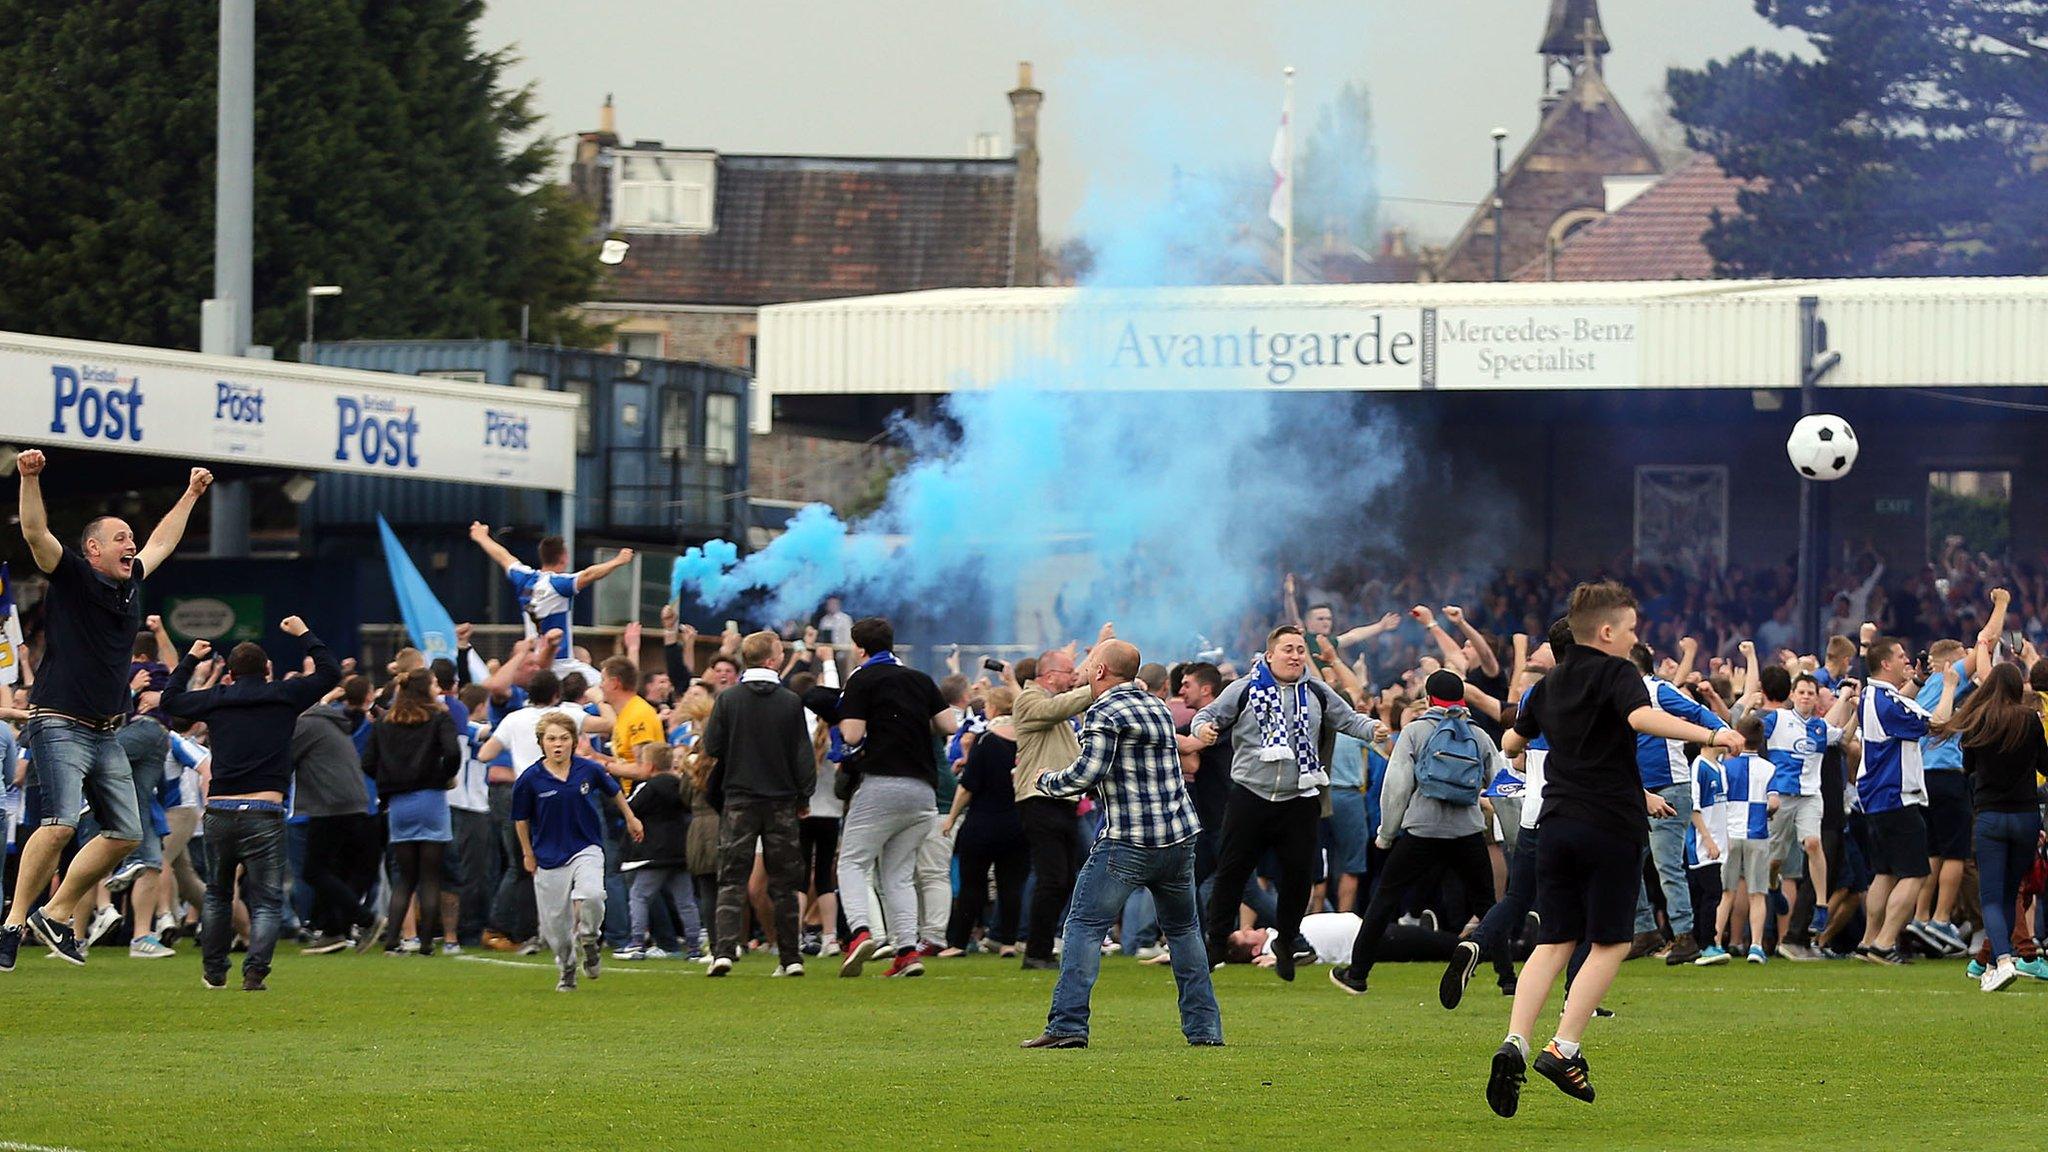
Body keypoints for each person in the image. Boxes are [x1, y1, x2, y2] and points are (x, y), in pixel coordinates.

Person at [1486, 582, 1742, 1118]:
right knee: (1609, 943)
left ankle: (1515, 1041)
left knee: (1552, 942)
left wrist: (1526, 742)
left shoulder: (1550, 683)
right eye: (1630, 629)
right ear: (1606, 631)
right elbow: (1640, 719)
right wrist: (1710, 735)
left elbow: (1513, 741)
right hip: (1608, 822)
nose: (1634, 638)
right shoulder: (1618, 673)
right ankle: (1565, 1047)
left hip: (1555, 824)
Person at [1, 451, 211, 970]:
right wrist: (30, 479)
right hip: (60, 721)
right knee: (59, 824)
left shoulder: (130, 582)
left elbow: (163, 540)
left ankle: (56, 911)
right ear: (91, 550)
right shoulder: (72, 575)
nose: (132, 545)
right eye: (120, 538)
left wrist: (190, 495)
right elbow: (34, 533)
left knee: (126, 834)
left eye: (130, 539)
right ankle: (11, 923)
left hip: (107, 731)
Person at [1019, 638, 1222, 1050]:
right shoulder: (1157, 708)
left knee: (1083, 927)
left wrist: (1042, 779)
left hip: (1128, 840)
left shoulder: (1104, 711)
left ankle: (1067, 1024)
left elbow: (1085, 775)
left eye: (1090, 664)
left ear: (1099, 671)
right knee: (1184, 932)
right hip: (1179, 838)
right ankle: (1204, 1030)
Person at [159, 617, 341, 991]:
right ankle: (255, 972)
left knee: (217, 893)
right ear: (268, 670)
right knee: (267, 900)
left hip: (221, 810)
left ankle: (214, 971)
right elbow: (329, 673)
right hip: (264, 810)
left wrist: (191, 659)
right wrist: (306, 633)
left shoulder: (217, 699)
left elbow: (170, 700)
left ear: (229, 674)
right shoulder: (284, 696)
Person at [1190, 625, 1379, 982]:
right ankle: (1216, 941)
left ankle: (1288, 942)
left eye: (1299, 650)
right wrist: (1203, 731)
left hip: (1300, 797)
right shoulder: (1243, 688)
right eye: (1288, 649)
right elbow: (1207, 716)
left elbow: (1350, 720)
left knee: (1298, 878)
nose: (1295, 655)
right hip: (1251, 794)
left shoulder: (1318, 692)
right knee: (1231, 872)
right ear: (1270, 655)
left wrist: (1374, 730)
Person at [1333, 669, 1509, 1000]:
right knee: (1487, 904)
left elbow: (1397, 785)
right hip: (1467, 830)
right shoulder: (1478, 734)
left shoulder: (1415, 731)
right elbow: (1500, 787)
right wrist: (1509, 833)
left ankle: (1357, 974)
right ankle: (1507, 978)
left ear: (1429, 699)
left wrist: (1387, 833)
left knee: (1385, 899)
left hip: (1422, 830)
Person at [833, 617, 956, 978]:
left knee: (852, 862)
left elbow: (853, 735)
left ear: (860, 648)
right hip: (922, 791)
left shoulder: (861, 678)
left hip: (882, 781)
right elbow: (948, 725)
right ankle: (906, 951)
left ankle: (859, 932)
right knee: (899, 874)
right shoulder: (920, 679)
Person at [698, 631, 815, 977]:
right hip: (781, 800)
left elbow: (713, 746)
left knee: (731, 877)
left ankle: (723, 951)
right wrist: (804, 795)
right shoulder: (791, 702)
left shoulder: (729, 699)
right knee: (784, 882)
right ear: (772, 659)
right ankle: (790, 958)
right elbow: (802, 755)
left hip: (738, 798)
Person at [1932, 657, 2046, 990]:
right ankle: (1993, 961)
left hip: (1990, 816)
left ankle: (2004, 961)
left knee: (1992, 898)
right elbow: (2045, 763)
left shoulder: (1978, 721)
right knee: (2010, 894)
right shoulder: (2030, 720)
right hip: (2026, 817)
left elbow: (1967, 768)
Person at [513, 712, 643, 990]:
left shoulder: (589, 769)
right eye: (551, 739)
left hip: (586, 846)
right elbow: (520, 819)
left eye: (563, 738)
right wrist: (527, 853)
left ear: (574, 741)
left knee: (593, 895)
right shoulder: (529, 779)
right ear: (542, 743)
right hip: (548, 856)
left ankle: (589, 938)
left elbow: (613, 791)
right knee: (555, 930)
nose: (558, 744)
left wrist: (631, 818)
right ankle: (568, 967)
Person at [1854, 636, 1958, 964]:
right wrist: (1949, 686)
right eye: (1900, 656)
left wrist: (1917, 682)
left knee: (1884, 873)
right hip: (1897, 796)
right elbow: (1937, 723)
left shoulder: (1870, 695)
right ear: (1885, 663)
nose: (1907, 660)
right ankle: (1885, 943)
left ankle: (1869, 940)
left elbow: (1901, 706)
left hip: (1874, 797)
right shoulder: (1887, 701)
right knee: (1914, 873)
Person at [1625, 642, 1728, 965]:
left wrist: (1721, 731)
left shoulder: (1656, 690)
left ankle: (1684, 935)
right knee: (1627, 861)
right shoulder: (1626, 694)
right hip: (1637, 790)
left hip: (1668, 786)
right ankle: (1645, 930)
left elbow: (1694, 710)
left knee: (1667, 863)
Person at [1756, 665, 1858, 959]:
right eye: (1801, 692)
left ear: (1815, 699)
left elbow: (1844, 738)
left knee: (1813, 843)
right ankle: (1773, 885)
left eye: (1810, 693)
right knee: (1775, 859)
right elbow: (1750, 732)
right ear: (1792, 695)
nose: (1805, 697)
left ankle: (1822, 907)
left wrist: (1855, 711)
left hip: (1810, 796)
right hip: (1782, 797)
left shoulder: (1820, 726)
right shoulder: (1777, 719)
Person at [1010, 639, 1097, 970]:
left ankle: (1042, 948)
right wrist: (1097, 688)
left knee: (1061, 878)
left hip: (1060, 801)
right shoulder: (1031, 700)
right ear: (1048, 675)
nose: (1073, 677)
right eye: (1068, 672)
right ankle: (1036, 951)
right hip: (1040, 799)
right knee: (1052, 879)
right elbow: (1059, 707)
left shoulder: (1052, 701)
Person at [361, 669, 462, 955]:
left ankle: (394, 939)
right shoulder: (440, 717)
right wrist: (444, 775)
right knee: (430, 875)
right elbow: (453, 753)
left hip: (399, 803)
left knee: (405, 877)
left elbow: (367, 762)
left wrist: (388, 781)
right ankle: (428, 942)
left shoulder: (385, 721)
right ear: (425, 689)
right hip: (432, 799)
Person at [467, 521, 634, 681]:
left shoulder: (525, 578)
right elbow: (589, 574)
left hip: (534, 662)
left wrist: (482, 537)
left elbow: (503, 557)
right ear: (564, 558)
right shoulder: (559, 584)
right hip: (561, 663)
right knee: (608, 687)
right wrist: (618, 561)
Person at [942, 685, 1028, 957]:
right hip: (1017, 822)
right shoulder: (1026, 741)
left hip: (982, 823)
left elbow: (967, 787)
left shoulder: (985, 741)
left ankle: (957, 942)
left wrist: (951, 818)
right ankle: (1008, 941)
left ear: (992, 709)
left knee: (972, 885)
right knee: (1011, 886)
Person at [291, 693, 379, 953]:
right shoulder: (328, 722)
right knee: (334, 871)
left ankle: (366, 919)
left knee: (313, 871)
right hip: (353, 803)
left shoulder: (305, 724)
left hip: (330, 805)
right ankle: (332, 931)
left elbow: (282, 759)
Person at [1695, 717, 1774, 965]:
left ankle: (1715, 941)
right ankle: (1756, 946)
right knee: (1757, 893)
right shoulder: (1769, 768)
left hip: (1729, 834)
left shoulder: (1724, 766)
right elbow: (1774, 803)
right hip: (1757, 834)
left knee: (1725, 893)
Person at [619, 744, 701, 961]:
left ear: (650, 765)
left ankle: (637, 943)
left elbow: (629, 809)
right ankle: (694, 946)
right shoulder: (681, 784)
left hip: (654, 851)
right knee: (686, 900)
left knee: (639, 895)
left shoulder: (649, 787)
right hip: (680, 850)